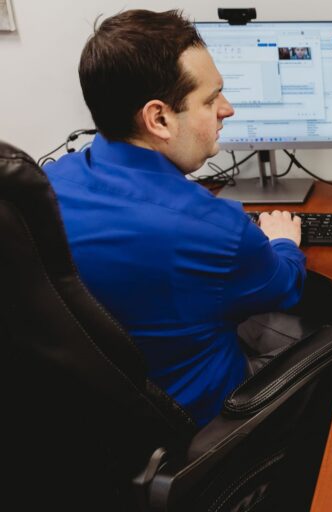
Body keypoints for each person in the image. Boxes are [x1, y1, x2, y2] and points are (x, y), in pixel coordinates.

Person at [44, 9, 305, 427]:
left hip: (93, 424)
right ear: (159, 119)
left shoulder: (46, 187)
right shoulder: (213, 228)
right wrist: (282, 243)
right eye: (210, 98)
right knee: (320, 328)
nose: (228, 109)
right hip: (197, 425)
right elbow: (284, 287)